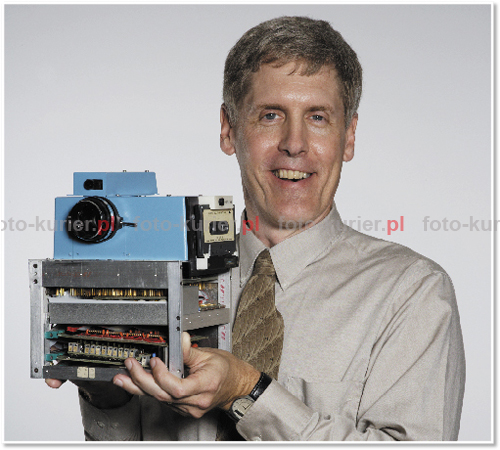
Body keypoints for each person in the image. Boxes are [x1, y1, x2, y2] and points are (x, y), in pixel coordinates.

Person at [46, 16, 466, 441]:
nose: (294, 144)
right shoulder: (159, 282)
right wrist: (105, 394)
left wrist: (247, 391)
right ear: (228, 129)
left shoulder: (412, 293)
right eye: (270, 115)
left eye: (318, 117)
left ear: (349, 135)